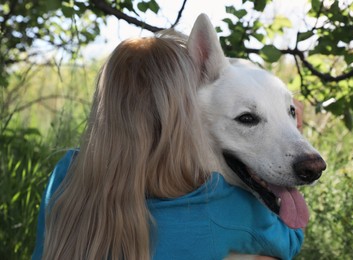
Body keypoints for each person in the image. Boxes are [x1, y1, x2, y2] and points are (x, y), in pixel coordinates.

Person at [32, 32, 304, 260]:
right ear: (183, 114)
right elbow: (292, 236)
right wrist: (294, 129)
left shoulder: (64, 176)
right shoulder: (216, 204)